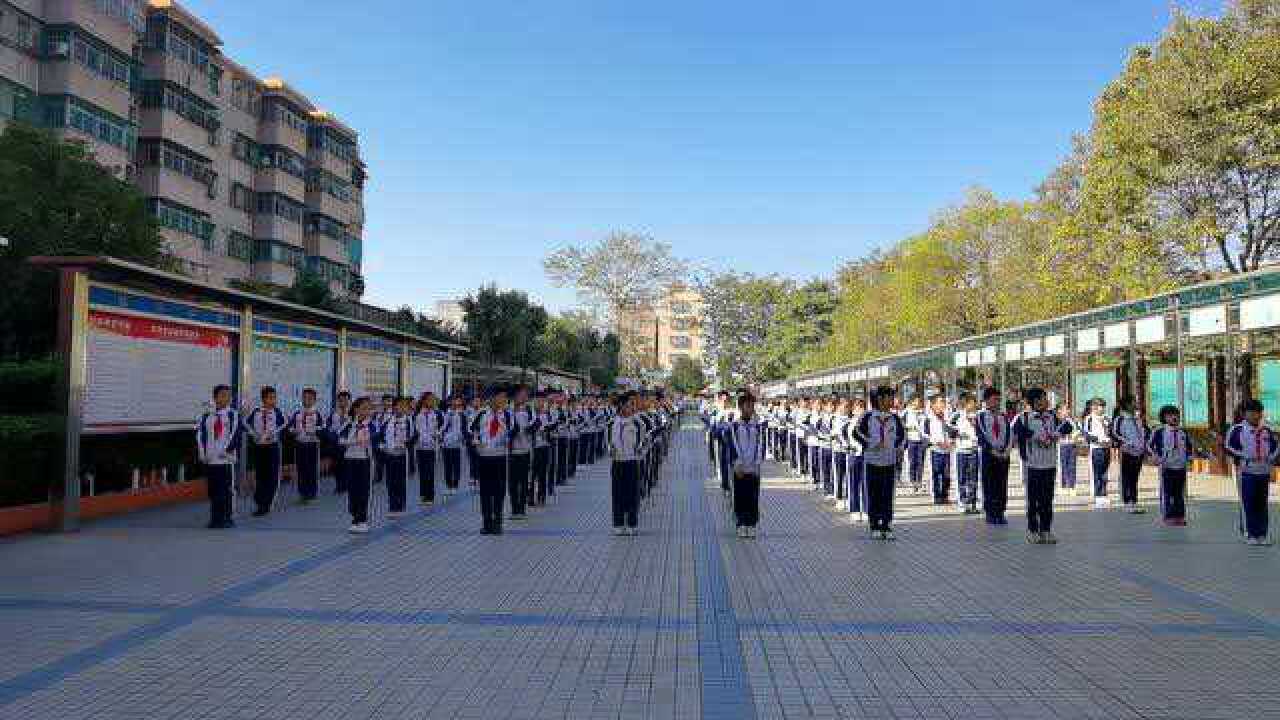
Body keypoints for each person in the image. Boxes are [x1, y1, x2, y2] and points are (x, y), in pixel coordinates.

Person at [855, 386, 906, 540]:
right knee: (874, 493)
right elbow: (856, 432)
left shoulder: (894, 418)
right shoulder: (868, 416)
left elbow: (903, 436)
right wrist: (870, 443)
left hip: (889, 461)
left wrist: (898, 447)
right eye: (889, 397)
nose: (892, 401)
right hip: (872, 461)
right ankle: (874, 524)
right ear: (880, 399)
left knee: (887, 494)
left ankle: (886, 524)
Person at [1224, 399, 1278, 545]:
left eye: (1258, 412)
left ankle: (1262, 534)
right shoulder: (1237, 429)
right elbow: (1228, 446)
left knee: (1262, 503)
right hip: (1246, 471)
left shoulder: (1266, 430)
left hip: (1263, 471)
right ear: (1244, 414)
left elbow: (1274, 446)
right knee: (1248, 502)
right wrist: (1244, 455)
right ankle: (1250, 533)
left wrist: (1271, 458)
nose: (1256, 415)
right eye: (1252, 412)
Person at [1013, 388, 1061, 544]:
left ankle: (1046, 530)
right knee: (1033, 500)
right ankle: (1033, 530)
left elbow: (1062, 429)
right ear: (1033, 402)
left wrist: (1054, 436)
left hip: (1050, 463)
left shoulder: (1052, 416)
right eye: (1042, 398)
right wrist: (1035, 437)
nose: (1045, 401)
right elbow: (1017, 432)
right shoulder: (1025, 417)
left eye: (1045, 398)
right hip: (1033, 465)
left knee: (1047, 500)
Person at [196, 384, 241, 529]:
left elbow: (235, 433)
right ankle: (215, 518)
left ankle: (227, 517)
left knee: (226, 489)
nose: (226, 398)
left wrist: (227, 450)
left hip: (225, 459)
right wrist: (203, 453)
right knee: (213, 490)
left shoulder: (232, 414)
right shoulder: (207, 416)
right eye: (222, 395)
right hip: (211, 459)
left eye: (228, 395)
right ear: (215, 397)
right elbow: (200, 434)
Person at [471, 387, 512, 535]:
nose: (503, 400)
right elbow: (472, 431)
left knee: (499, 491)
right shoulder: (482, 414)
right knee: (485, 491)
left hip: (500, 457)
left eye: (505, 398)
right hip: (485, 457)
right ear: (493, 398)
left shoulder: (507, 415)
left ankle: (498, 522)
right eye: (501, 397)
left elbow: (513, 432)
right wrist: (477, 443)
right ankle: (487, 522)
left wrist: (508, 438)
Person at [243, 386, 287, 517]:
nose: (273, 400)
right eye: (270, 398)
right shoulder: (256, 412)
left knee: (272, 475)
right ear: (263, 399)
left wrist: (273, 433)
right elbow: (245, 423)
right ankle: (260, 501)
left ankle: (267, 503)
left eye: (274, 397)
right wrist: (253, 434)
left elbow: (284, 424)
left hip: (272, 446)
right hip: (259, 446)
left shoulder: (277, 412)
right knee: (261, 475)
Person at [1147, 405, 1194, 526]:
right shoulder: (1159, 431)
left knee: (1179, 492)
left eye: (1176, 415)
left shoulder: (1182, 432)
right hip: (1166, 466)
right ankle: (1167, 516)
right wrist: (1157, 457)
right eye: (1170, 415)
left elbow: (1189, 447)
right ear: (1164, 417)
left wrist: (1189, 458)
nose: (1174, 417)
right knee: (1167, 492)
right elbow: (1149, 445)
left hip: (1180, 466)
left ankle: (1180, 515)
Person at [728, 391, 766, 538]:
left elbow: (760, 445)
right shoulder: (735, 426)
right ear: (740, 407)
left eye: (752, 406)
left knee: (753, 496)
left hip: (753, 467)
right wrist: (737, 464)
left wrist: (757, 464)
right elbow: (732, 445)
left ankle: (751, 524)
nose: (750, 408)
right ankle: (741, 524)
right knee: (740, 495)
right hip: (740, 468)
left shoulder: (757, 426)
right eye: (747, 405)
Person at [975, 387, 1012, 525]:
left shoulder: (1003, 416)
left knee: (1002, 484)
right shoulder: (981, 416)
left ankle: (1000, 511)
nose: (997, 402)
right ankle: (990, 513)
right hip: (989, 454)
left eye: (999, 399)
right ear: (986, 401)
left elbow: (1009, 434)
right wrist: (993, 450)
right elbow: (982, 435)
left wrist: (1007, 450)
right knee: (989, 483)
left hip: (1003, 455)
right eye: (994, 399)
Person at [337, 397, 375, 533]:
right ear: (356, 409)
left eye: (369, 408)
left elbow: (373, 438)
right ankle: (354, 518)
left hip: (365, 460)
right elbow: (339, 438)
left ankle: (363, 519)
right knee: (352, 490)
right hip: (351, 459)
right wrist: (351, 442)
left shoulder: (371, 425)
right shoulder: (349, 424)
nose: (366, 411)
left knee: (364, 490)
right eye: (363, 408)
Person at [608, 392, 643, 536]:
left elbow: (643, 440)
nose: (631, 408)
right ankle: (618, 523)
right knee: (617, 494)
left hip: (631, 462)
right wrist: (610, 449)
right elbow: (607, 442)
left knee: (632, 493)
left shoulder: (637, 422)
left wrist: (639, 448)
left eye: (632, 405)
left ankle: (632, 523)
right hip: (617, 462)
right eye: (628, 405)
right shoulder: (612, 422)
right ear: (621, 406)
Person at [288, 387, 326, 505]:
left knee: (311, 469)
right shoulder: (297, 413)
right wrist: (294, 431)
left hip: (312, 444)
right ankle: (302, 493)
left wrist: (314, 431)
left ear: (314, 400)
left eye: (310, 398)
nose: (307, 400)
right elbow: (290, 427)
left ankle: (311, 493)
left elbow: (323, 428)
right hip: (300, 444)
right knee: (301, 468)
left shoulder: (317, 414)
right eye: (304, 398)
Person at [1113, 395, 1148, 514]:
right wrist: (1126, 443)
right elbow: (1114, 433)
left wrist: (1144, 446)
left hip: (1139, 452)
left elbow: (1143, 432)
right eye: (1134, 402)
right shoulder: (1120, 419)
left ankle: (1134, 501)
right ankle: (1127, 502)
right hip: (1127, 451)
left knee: (1135, 478)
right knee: (1127, 477)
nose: (1136, 404)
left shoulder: (1137, 419)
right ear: (1127, 405)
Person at [379, 396, 412, 517]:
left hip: (402, 455)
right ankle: (392, 505)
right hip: (390, 454)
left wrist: (407, 443)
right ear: (394, 408)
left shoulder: (408, 421)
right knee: (390, 481)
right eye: (399, 406)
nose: (401, 408)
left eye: (404, 406)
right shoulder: (388, 422)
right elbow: (381, 436)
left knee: (401, 481)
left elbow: (413, 436)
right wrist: (383, 447)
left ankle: (400, 505)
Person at [508, 385, 536, 520]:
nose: (524, 397)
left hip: (525, 449)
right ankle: (514, 508)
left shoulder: (529, 410)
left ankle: (522, 508)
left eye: (525, 395)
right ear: (515, 396)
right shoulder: (508, 411)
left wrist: (528, 429)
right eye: (521, 395)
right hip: (511, 451)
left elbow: (535, 424)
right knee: (513, 481)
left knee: (524, 480)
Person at [950, 392, 981, 515]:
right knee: (962, 477)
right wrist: (957, 434)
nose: (974, 405)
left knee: (973, 478)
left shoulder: (978, 416)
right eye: (972, 402)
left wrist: (975, 426)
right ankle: (962, 502)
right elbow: (948, 427)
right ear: (966, 403)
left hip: (974, 450)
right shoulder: (957, 415)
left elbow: (982, 430)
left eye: (975, 402)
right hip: (961, 451)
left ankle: (972, 502)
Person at [922, 394, 955, 506]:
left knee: (946, 474)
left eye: (943, 402)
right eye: (940, 402)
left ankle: (945, 495)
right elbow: (925, 434)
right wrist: (936, 442)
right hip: (935, 450)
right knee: (936, 473)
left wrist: (951, 440)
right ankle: (937, 496)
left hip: (946, 450)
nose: (943, 404)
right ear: (933, 404)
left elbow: (952, 431)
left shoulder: (947, 417)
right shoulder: (928, 418)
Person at [1082, 398, 1115, 510]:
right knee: (1098, 472)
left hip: (1106, 447)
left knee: (1105, 472)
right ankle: (1098, 495)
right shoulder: (1089, 419)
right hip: (1097, 448)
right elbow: (1087, 434)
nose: (1102, 408)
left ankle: (1104, 493)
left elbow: (1111, 432)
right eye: (1100, 406)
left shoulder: (1106, 418)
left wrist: (1110, 440)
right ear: (1094, 407)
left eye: (1103, 406)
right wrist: (1098, 440)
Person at [413, 392, 443, 507]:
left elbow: (441, 427)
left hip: (431, 447)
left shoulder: (436, 414)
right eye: (429, 400)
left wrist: (437, 434)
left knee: (430, 472)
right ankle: (423, 494)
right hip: (420, 447)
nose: (432, 402)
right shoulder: (417, 414)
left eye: (433, 400)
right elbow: (415, 430)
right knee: (422, 472)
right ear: (424, 401)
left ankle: (430, 496)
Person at [440, 395, 466, 496]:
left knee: (456, 466)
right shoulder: (445, 414)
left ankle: (455, 485)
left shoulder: (462, 415)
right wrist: (441, 435)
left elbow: (464, 428)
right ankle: (448, 485)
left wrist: (464, 438)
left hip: (457, 444)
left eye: (458, 402)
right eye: (454, 402)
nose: (455, 404)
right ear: (450, 403)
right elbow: (442, 426)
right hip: (446, 444)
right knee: (447, 466)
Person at [326, 392, 351, 494]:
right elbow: (328, 426)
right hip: (336, 444)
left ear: (349, 401)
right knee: (337, 465)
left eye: (345, 400)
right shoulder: (334, 414)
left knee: (347, 465)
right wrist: (331, 436)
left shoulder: (353, 414)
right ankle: (339, 485)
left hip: (348, 444)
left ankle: (345, 485)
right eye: (340, 400)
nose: (343, 402)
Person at [532, 392, 554, 506]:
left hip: (544, 446)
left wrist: (548, 429)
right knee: (532, 474)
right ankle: (530, 496)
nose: (540, 403)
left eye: (542, 401)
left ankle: (541, 496)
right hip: (532, 447)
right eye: (538, 401)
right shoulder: (530, 414)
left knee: (542, 473)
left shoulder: (547, 414)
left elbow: (551, 428)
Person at [903, 396, 926, 495]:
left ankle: (919, 482)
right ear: (912, 402)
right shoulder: (906, 412)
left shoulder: (923, 413)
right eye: (917, 401)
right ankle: (913, 483)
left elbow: (927, 426)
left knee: (920, 462)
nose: (918, 403)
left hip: (922, 441)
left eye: (919, 401)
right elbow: (901, 425)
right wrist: (908, 428)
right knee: (912, 462)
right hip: (911, 440)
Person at [1055, 403, 1081, 491]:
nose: (1068, 411)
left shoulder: (1072, 420)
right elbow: (1056, 432)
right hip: (1062, 445)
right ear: (1059, 410)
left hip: (1072, 444)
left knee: (1072, 465)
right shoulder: (1057, 420)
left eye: (1068, 409)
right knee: (1063, 465)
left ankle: (1072, 485)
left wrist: (1075, 435)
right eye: (1065, 409)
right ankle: (1064, 485)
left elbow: (1078, 429)